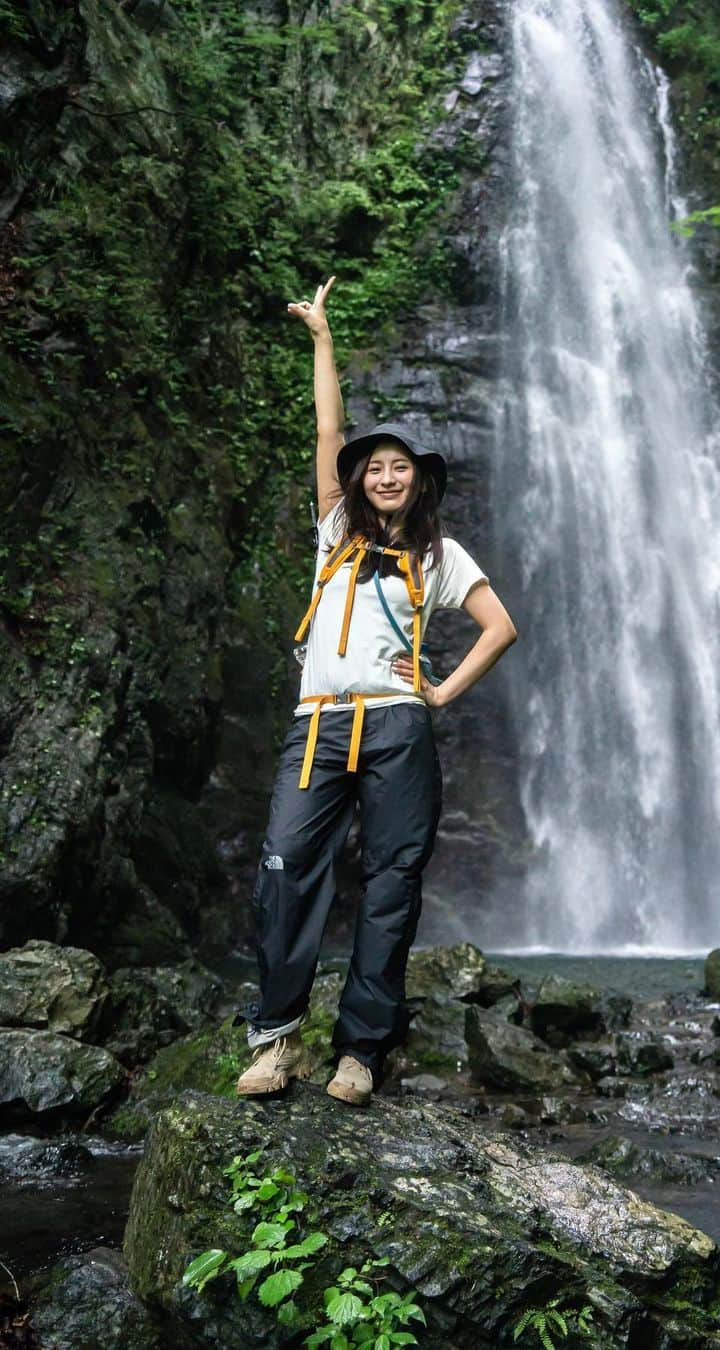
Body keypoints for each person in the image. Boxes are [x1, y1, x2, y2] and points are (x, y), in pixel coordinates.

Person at [234, 274, 517, 1106]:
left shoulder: (441, 554)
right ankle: (276, 1042)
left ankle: (360, 1053)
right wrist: (321, 338)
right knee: (285, 868)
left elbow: (499, 626)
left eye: (400, 468)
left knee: (391, 886)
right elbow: (328, 429)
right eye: (375, 468)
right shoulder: (334, 534)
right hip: (318, 723)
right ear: (358, 482)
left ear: (417, 482)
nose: (386, 476)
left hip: (398, 726)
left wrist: (439, 692)